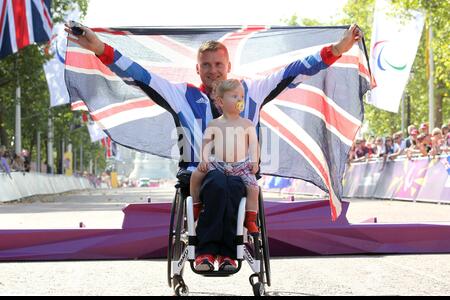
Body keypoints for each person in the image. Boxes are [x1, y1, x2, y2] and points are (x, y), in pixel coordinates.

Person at [65, 23, 362, 270]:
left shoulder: (252, 92)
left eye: (219, 64)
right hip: (198, 171)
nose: (213, 70)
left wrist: (338, 48)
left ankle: (220, 251)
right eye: (206, 65)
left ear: (228, 66)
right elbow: (139, 75)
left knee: (230, 182)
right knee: (220, 181)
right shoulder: (181, 95)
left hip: (240, 171)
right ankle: (218, 252)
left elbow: (294, 70)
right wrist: (98, 47)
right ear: (197, 69)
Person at [190, 79, 259, 271]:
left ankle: (250, 219)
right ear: (220, 102)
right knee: (197, 175)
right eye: (235, 96)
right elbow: (206, 144)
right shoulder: (214, 123)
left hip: (240, 167)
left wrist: (254, 161)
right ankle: (196, 205)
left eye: (242, 97)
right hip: (218, 165)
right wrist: (204, 159)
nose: (240, 100)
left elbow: (254, 145)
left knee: (253, 187)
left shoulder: (246, 124)